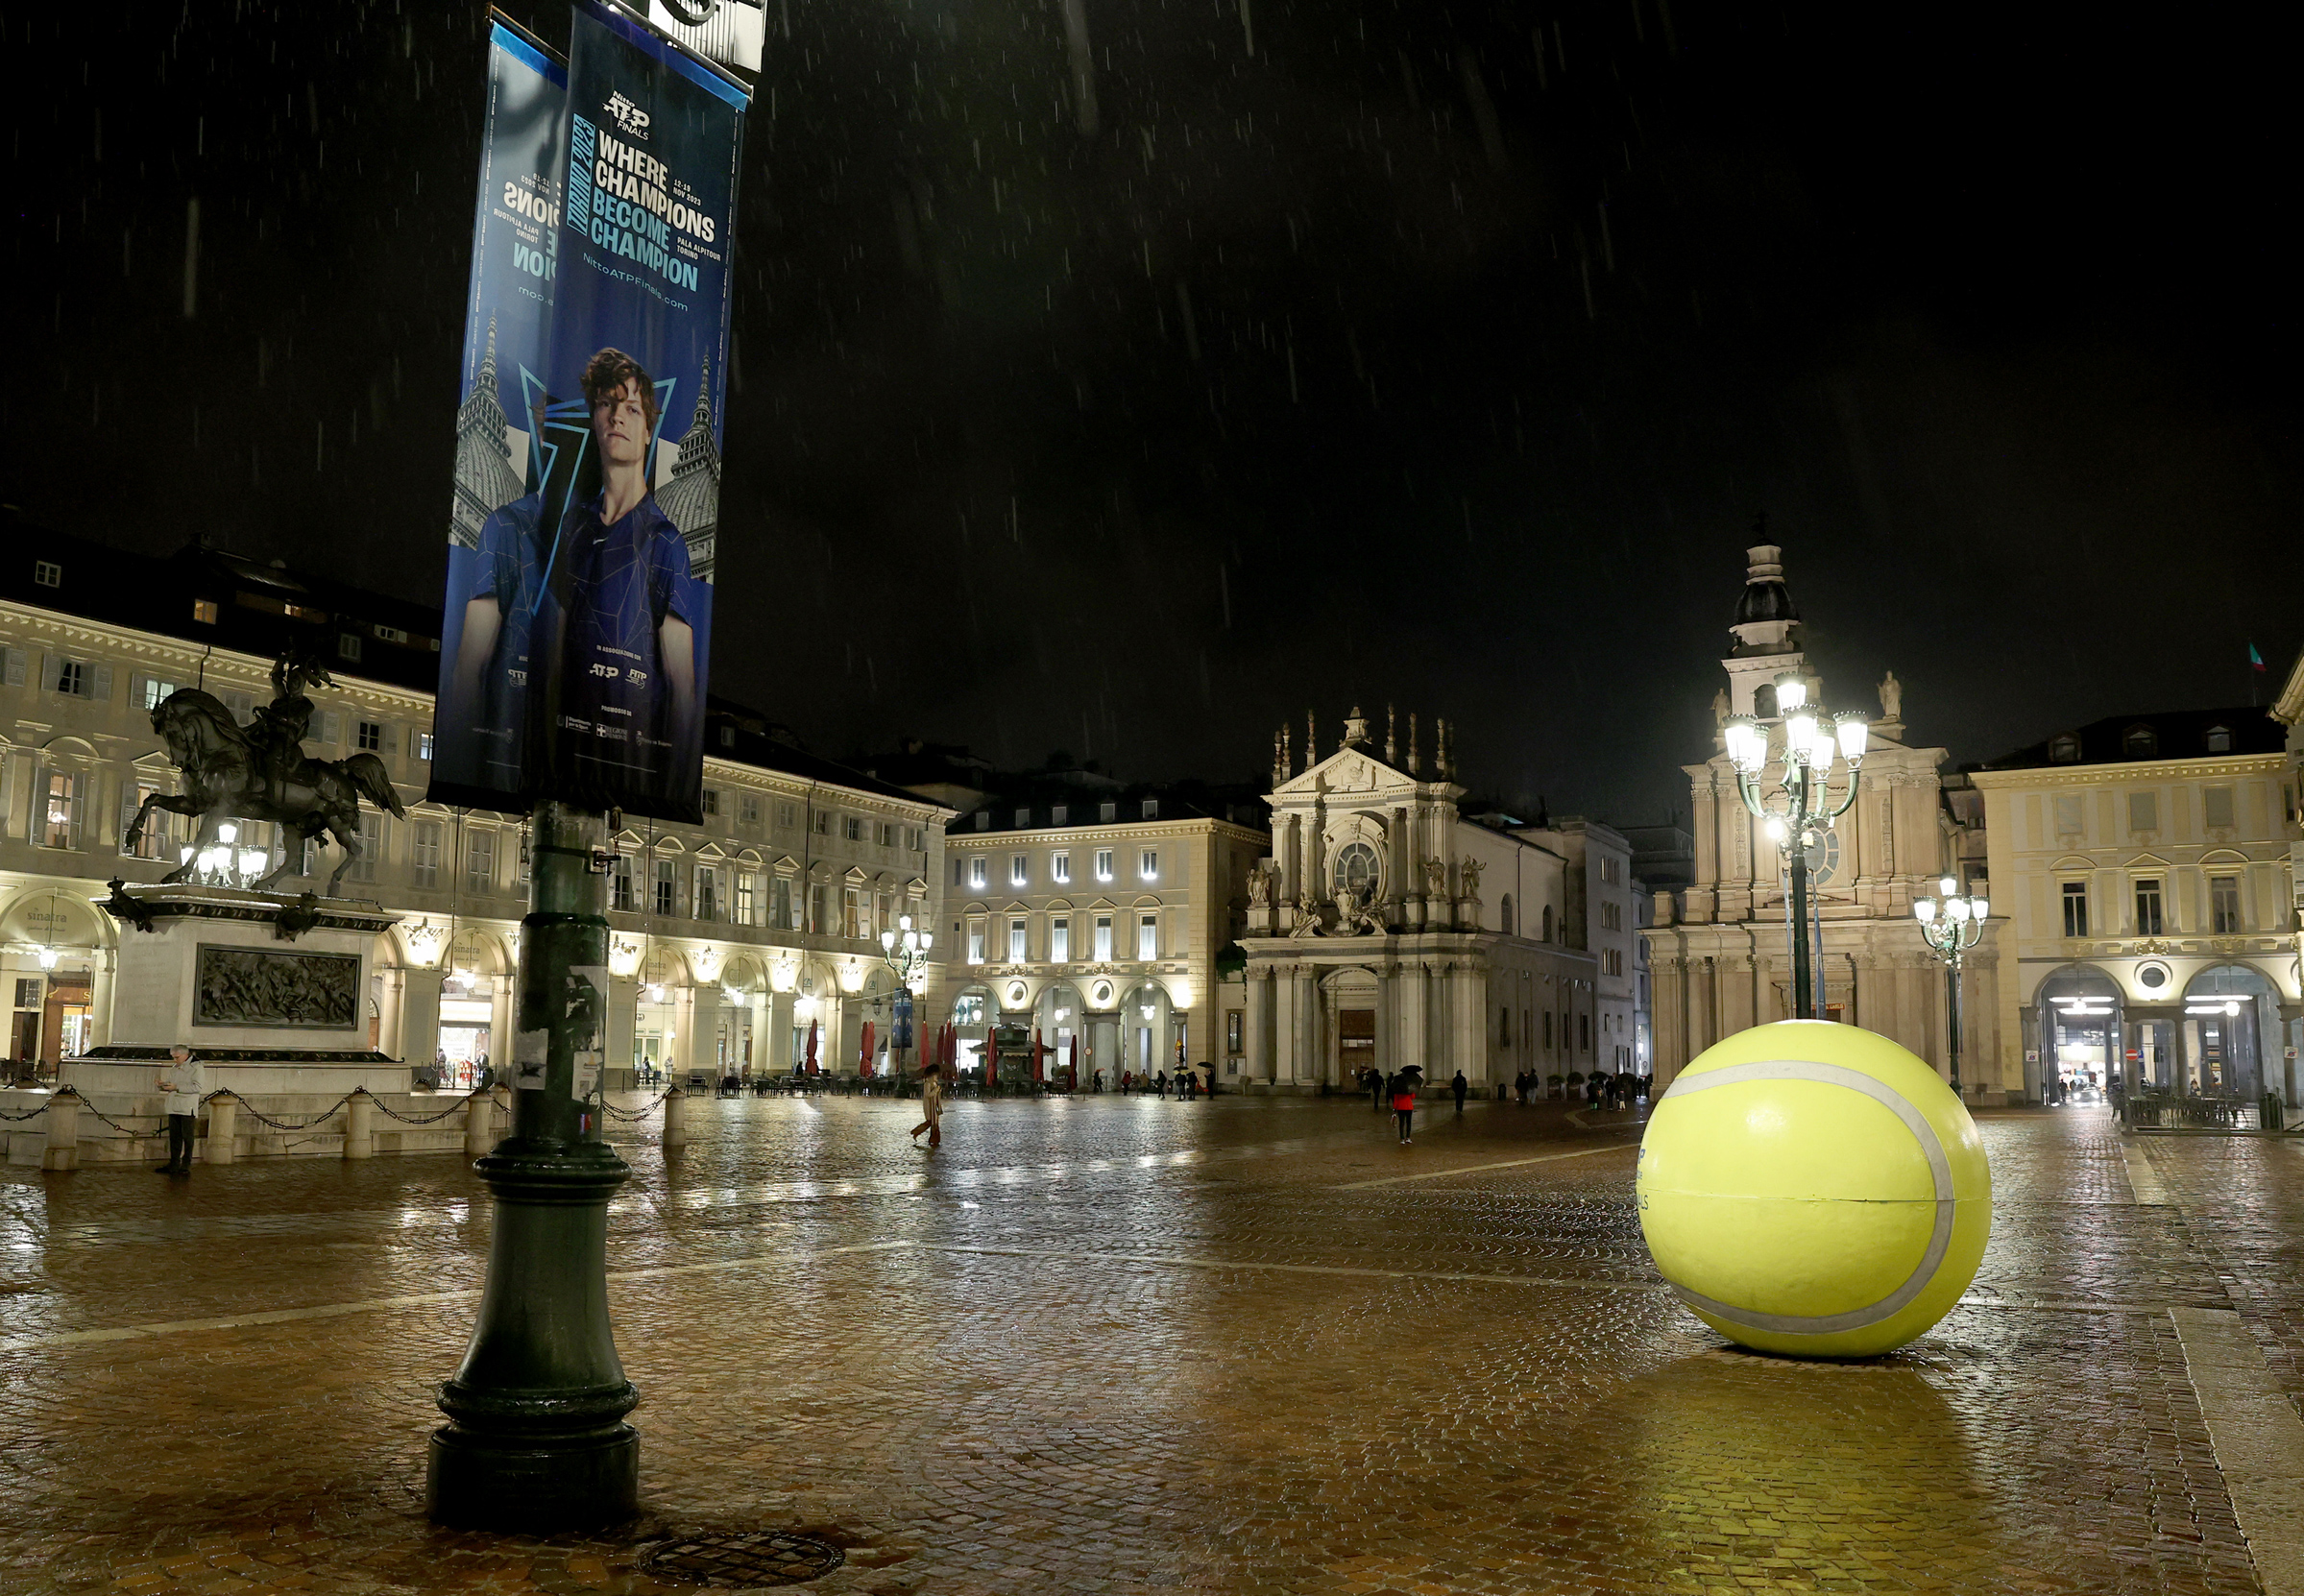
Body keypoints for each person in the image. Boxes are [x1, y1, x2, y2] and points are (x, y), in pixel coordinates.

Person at [532, 350, 701, 793]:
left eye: (631, 409)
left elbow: (682, 688)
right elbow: (555, 658)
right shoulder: (574, 526)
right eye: (606, 404)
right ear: (594, 419)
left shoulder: (665, 541)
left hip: (627, 764)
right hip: (564, 759)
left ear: (648, 430)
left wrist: (671, 781)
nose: (617, 417)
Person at [155, 1044, 206, 1174]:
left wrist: (176, 1087)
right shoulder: (175, 1067)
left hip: (187, 1107)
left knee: (187, 1138)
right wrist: (162, 1085)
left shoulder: (196, 1067)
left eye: (176, 1057)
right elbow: (171, 1084)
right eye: (173, 1057)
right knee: (174, 1137)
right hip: (174, 1106)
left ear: (185, 1055)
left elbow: (197, 1087)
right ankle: (174, 1163)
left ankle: (185, 1165)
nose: (174, 1060)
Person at [910, 1058, 945, 1148]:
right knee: (929, 1122)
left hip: (934, 1106)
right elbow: (928, 1095)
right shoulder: (927, 1084)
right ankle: (917, 1132)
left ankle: (934, 1139)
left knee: (934, 1123)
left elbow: (937, 1097)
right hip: (929, 1106)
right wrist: (935, 1090)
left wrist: (939, 1107)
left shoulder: (935, 1084)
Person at [1393, 1075, 1418, 1145]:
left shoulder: (1397, 1090)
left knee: (1402, 1123)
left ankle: (1402, 1138)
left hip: (1400, 1107)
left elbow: (1396, 1100)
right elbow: (1413, 1097)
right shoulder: (1409, 1088)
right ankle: (1408, 1137)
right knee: (1408, 1122)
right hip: (1409, 1107)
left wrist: (1394, 1109)